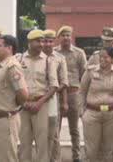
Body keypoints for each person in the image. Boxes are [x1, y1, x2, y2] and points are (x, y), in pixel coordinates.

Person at [0, 34, 30, 162]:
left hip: (5, 120)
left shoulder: (12, 66)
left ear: (9, 48)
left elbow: (24, 94)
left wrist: (14, 106)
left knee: (7, 158)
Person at [18, 29, 58, 161]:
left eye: (42, 41)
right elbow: (14, 84)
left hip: (41, 105)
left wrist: (39, 103)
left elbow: (53, 86)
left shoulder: (48, 61)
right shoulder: (19, 59)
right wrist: (23, 102)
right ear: (29, 42)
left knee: (42, 143)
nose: (41, 44)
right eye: (38, 41)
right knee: (24, 143)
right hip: (23, 106)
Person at [56, 26, 89, 162]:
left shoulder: (79, 53)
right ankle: (55, 157)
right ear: (59, 38)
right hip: (57, 94)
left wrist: (83, 96)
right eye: (63, 35)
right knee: (54, 129)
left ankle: (76, 157)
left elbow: (85, 75)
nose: (66, 37)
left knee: (74, 129)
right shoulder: (54, 53)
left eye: (68, 35)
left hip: (74, 94)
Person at [42, 29, 69, 162]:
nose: (47, 44)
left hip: (53, 99)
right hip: (37, 100)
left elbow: (64, 82)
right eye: (45, 41)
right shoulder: (35, 57)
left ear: (54, 42)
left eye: (50, 41)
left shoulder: (60, 58)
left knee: (54, 135)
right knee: (40, 133)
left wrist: (64, 102)